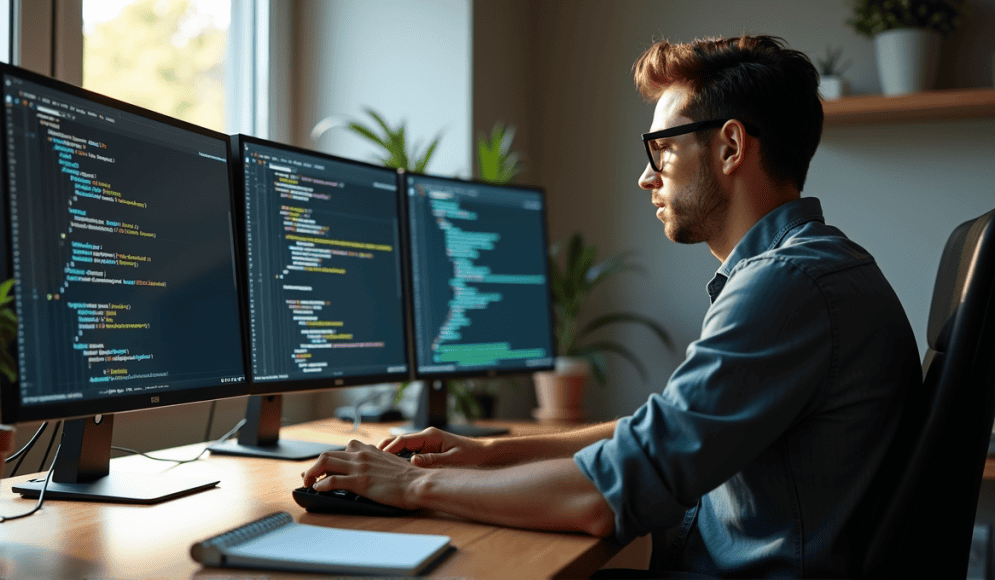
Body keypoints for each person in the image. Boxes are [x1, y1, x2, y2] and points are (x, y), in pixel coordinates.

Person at [301, 35, 922, 578]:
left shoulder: (786, 285)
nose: (647, 177)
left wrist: (416, 485)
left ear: (731, 147)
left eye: (662, 149)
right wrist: (491, 454)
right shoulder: (807, 269)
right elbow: (655, 436)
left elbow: (602, 499)